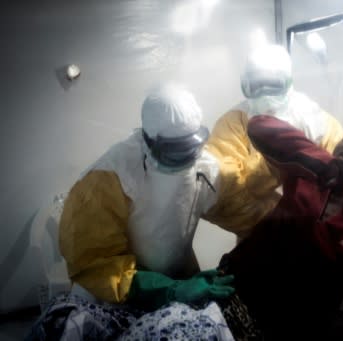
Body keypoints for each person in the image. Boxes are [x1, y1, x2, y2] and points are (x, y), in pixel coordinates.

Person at [27, 82, 236, 341]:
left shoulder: (207, 166)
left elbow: (240, 207)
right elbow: (96, 264)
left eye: (191, 148)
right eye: (173, 152)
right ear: (147, 140)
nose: (185, 159)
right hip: (110, 297)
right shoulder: (110, 177)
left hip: (176, 280)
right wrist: (168, 290)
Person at [218, 115, 343, 341]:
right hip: (250, 279)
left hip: (303, 314)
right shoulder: (308, 172)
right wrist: (319, 161)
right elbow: (259, 126)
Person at [203, 43, 343, 239]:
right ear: (245, 85)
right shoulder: (234, 122)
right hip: (256, 242)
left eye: (273, 85)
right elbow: (225, 195)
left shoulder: (316, 122)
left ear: (289, 82)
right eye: (256, 86)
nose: (265, 94)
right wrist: (272, 162)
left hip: (312, 240)